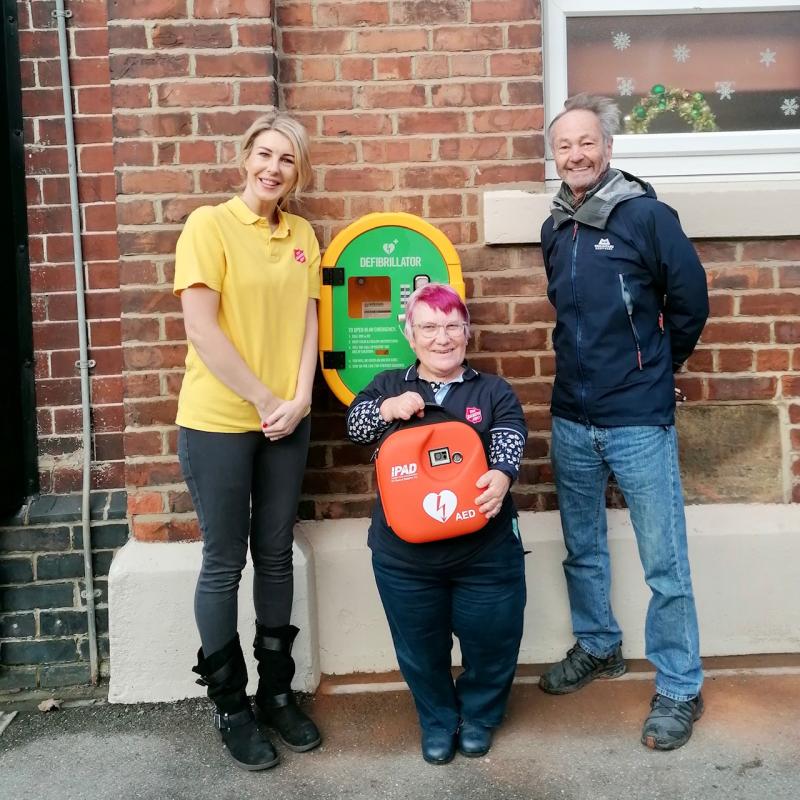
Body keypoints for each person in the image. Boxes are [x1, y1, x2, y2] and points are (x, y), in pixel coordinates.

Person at [539, 93, 709, 751]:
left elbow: (690, 302)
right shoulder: (556, 226)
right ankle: (599, 644)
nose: (576, 155)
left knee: (664, 563)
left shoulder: (645, 216)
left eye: (586, 142)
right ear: (555, 156)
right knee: (583, 547)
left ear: (607, 148)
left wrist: (656, 370)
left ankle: (679, 687)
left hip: (638, 417)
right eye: (564, 146)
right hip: (572, 418)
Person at [173, 108, 322, 770]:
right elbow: (202, 329)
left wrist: (299, 398)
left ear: (298, 172)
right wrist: (264, 400)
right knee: (224, 562)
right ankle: (232, 706)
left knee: (278, 555)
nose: (273, 167)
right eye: (264, 154)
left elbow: (309, 323)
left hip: (288, 420)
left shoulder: (303, 234)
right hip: (219, 421)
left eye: (286, 159)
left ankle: (277, 693)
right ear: (244, 158)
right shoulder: (208, 225)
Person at [346, 283, 528, 765]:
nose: (441, 338)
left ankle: (480, 716)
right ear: (410, 333)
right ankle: (438, 720)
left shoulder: (493, 391)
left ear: (467, 332)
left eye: (452, 326)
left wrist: (501, 474)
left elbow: (510, 435)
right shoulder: (388, 384)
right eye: (428, 327)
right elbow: (356, 428)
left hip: (485, 554)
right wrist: (386, 409)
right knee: (419, 649)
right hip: (405, 558)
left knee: (492, 641)